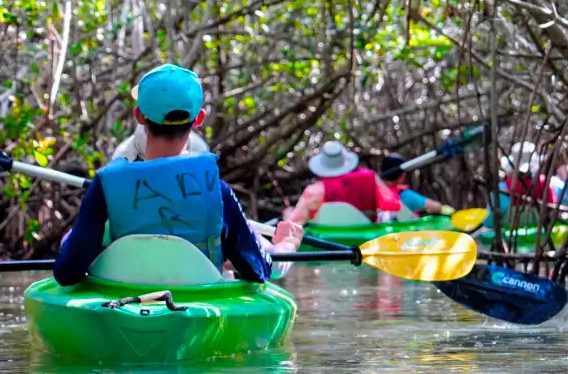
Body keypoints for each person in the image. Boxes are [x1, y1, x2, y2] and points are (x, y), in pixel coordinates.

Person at [55, 64, 301, 286]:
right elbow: (258, 270)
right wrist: (287, 244)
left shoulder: (106, 186)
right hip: (198, 302)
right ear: (198, 119)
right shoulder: (216, 190)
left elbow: (67, 272)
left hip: (125, 298)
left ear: (138, 115)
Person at [283, 140, 456, 227]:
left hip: (328, 236)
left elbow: (293, 224)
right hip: (365, 233)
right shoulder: (371, 179)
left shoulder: (313, 192)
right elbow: (394, 207)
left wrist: (287, 215)